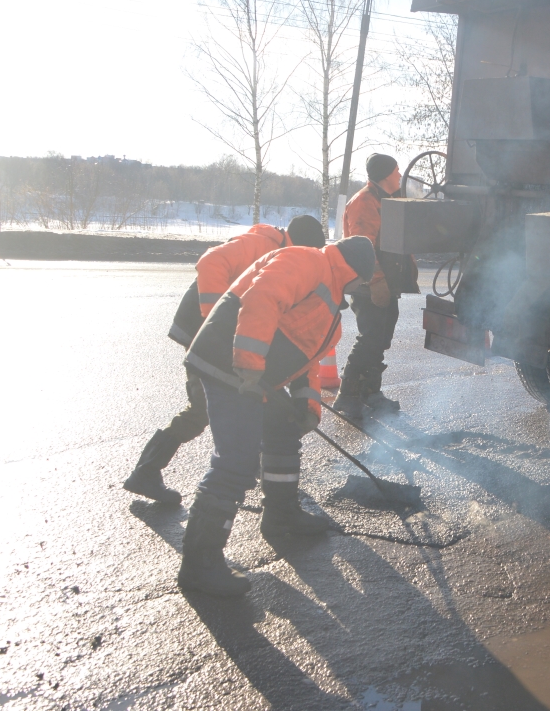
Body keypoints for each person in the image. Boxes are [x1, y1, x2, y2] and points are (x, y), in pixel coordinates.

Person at [179, 236, 376, 596]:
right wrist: (249, 365)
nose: (363, 287)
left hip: (253, 376)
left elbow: (308, 363)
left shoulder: (332, 309)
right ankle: (199, 564)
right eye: (364, 279)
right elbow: (261, 297)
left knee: (284, 430)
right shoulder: (307, 261)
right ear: (354, 270)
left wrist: (306, 407)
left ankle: (281, 515)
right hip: (228, 364)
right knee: (236, 460)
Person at [123, 216, 326, 504]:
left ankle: (253, 464)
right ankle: (145, 472)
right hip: (205, 333)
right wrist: (215, 323)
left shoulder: (291, 261)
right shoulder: (261, 244)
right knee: (202, 408)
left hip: (229, 335)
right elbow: (211, 262)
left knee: (250, 397)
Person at [332, 153, 419, 421]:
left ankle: (370, 393)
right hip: (368, 284)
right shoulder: (364, 203)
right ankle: (347, 395)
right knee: (370, 337)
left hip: (385, 282)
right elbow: (364, 247)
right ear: (384, 175)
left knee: (380, 338)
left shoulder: (387, 199)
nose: (400, 174)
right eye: (396, 170)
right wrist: (376, 281)